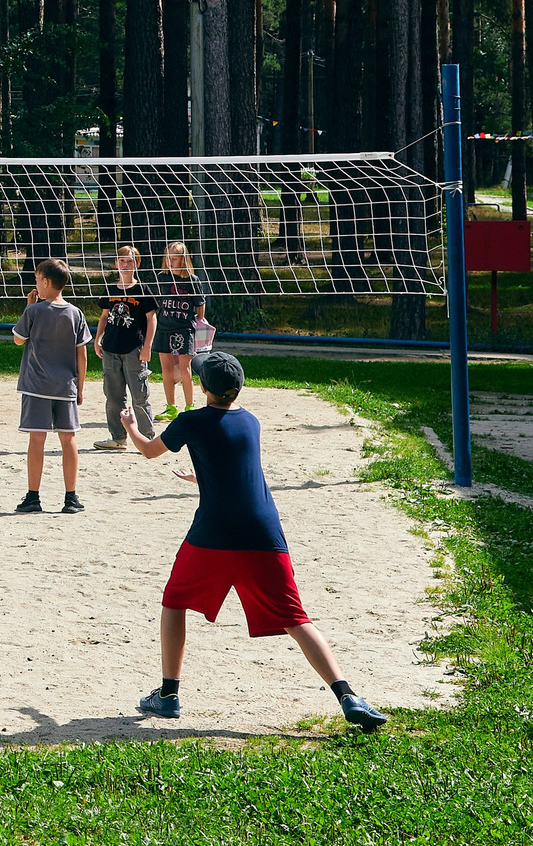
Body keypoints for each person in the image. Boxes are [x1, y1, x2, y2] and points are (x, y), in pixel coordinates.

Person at [128, 350, 388, 734]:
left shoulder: (190, 421)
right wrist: (205, 480)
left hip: (213, 534)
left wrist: (131, 424)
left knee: (174, 601)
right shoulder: (250, 421)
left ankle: (168, 696)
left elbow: (150, 450)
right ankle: (348, 695)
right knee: (297, 619)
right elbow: (236, 466)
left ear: (201, 387)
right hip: (263, 534)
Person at [10, 258, 91, 514]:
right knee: (69, 440)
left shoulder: (33, 311)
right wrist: (80, 386)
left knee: (37, 439)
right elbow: (82, 354)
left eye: (36, 279)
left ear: (45, 282)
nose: (36, 284)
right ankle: (71, 498)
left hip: (36, 387)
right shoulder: (75, 313)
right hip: (65, 385)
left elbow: (18, 340)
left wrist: (28, 308)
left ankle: (33, 497)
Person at [92, 245, 158, 453]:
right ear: (116, 264)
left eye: (130, 261)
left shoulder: (143, 290)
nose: (126, 264)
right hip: (111, 349)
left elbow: (151, 318)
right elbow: (104, 316)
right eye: (122, 261)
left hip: (134, 350)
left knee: (139, 397)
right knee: (113, 397)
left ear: (137, 264)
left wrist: (147, 346)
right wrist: (97, 339)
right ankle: (118, 438)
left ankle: (147, 438)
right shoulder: (110, 290)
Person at [154, 240, 207, 415]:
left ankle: (190, 405)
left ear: (183, 260)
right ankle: (171, 406)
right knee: (166, 368)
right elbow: (156, 302)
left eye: (175, 258)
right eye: (168, 258)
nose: (170, 261)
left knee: (185, 368)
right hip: (163, 327)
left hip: (184, 328)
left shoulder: (192, 280)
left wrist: (199, 320)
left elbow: (200, 303)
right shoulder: (162, 277)